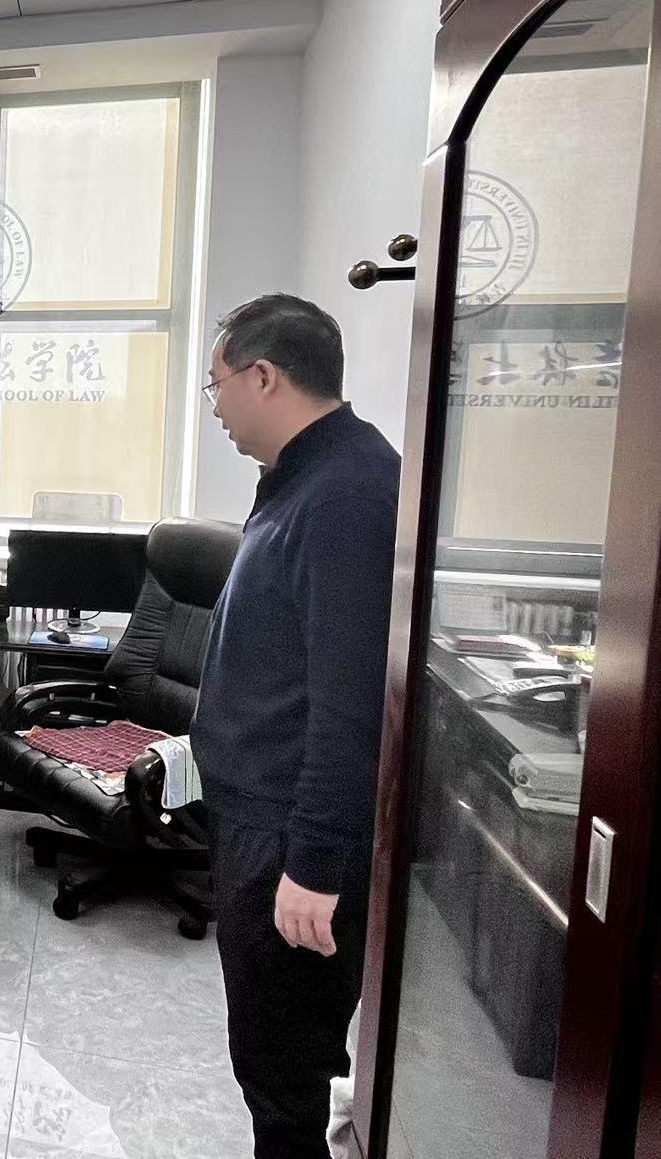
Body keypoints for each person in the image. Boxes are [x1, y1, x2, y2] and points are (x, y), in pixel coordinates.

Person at [190, 292, 399, 1159]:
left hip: (287, 834)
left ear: (265, 376)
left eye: (217, 385)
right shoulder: (305, 476)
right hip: (260, 816)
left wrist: (312, 862)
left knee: (284, 1068)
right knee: (274, 1056)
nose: (215, 407)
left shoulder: (347, 493)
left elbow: (349, 703)